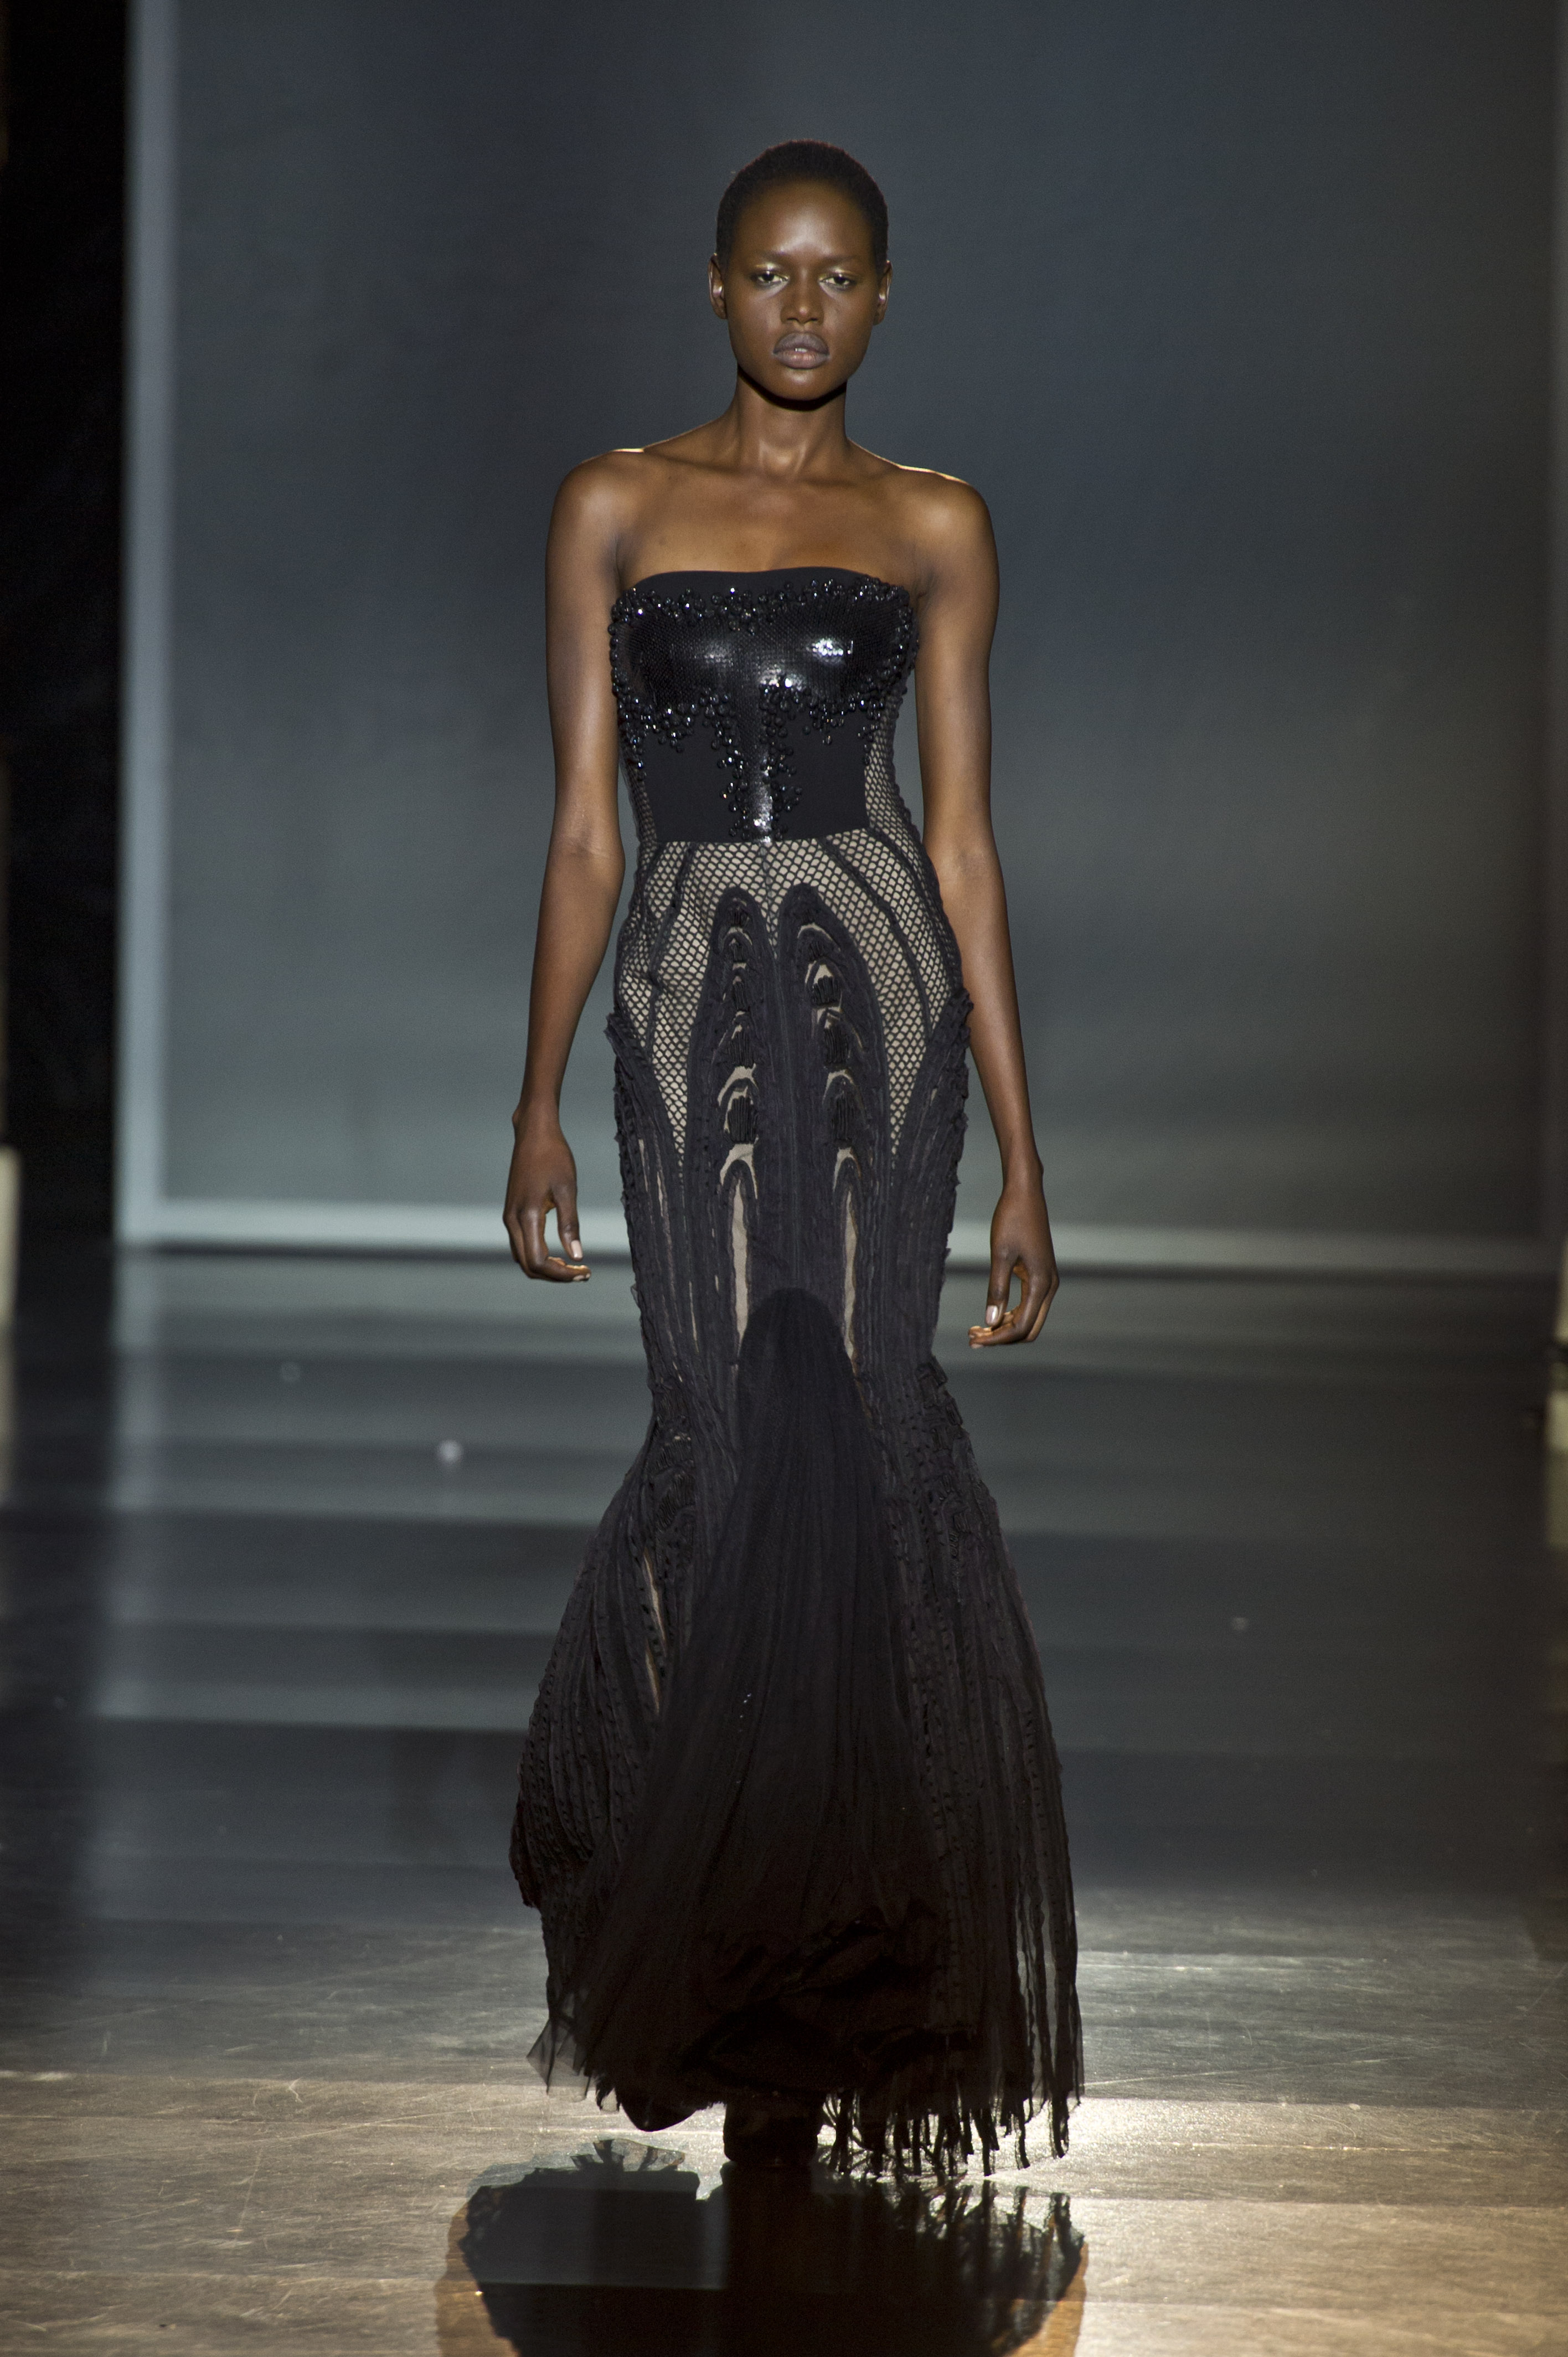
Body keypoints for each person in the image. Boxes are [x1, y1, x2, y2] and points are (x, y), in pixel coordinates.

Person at [506, 139, 1080, 2175]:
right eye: (773, 274)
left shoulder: (934, 524)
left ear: (885, 296)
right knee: (718, 1435)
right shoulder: (612, 504)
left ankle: (853, 1972)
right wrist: (535, 1096)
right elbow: (590, 829)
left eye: (840, 277)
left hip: (880, 998)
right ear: (718, 287)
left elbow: (965, 842)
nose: (806, 309)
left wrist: (1023, 1154)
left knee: (859, 1427)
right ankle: (725, 1935)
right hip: (681, 991)